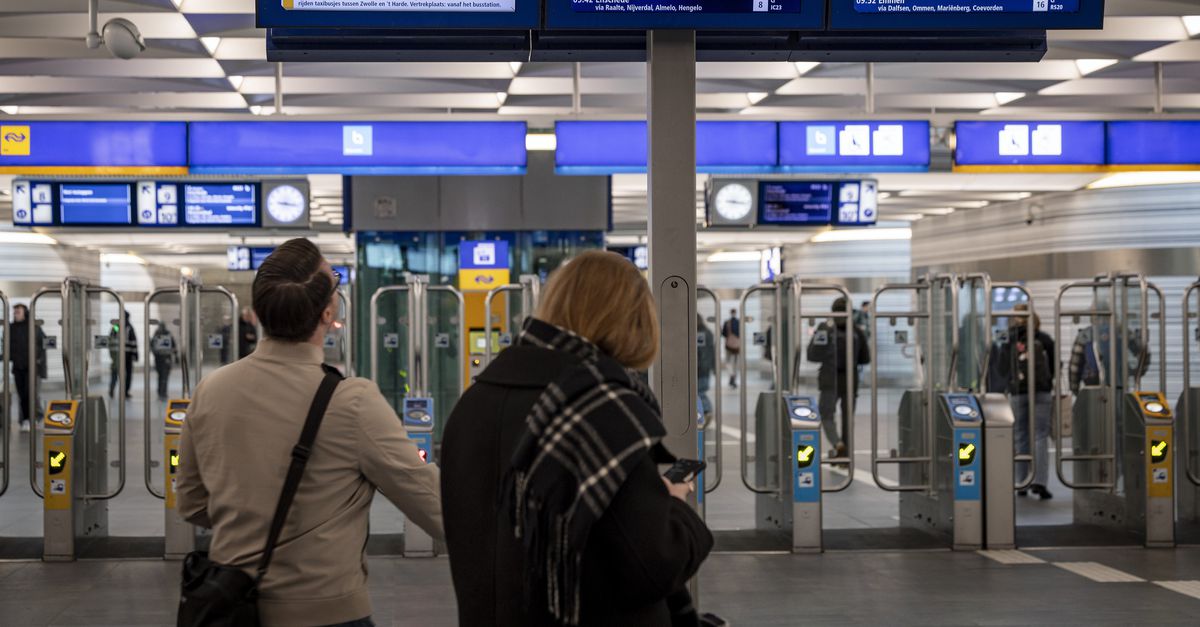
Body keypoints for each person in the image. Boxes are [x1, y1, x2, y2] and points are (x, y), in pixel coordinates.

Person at [176, 238, 443, 627]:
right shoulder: (352, 401)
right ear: (327, 312)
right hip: (327, 610)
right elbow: (433, 505)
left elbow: (192, 503)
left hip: (231, 606)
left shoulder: (211, 390)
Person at [441, 251, 713, 627]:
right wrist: (677, 507)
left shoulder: (473, 403)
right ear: (633, 320)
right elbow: (654, 562)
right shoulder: (602, 410)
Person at [993, 304, 1055, 499]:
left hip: (1018, 392)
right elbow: (1053, 367)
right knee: (1040, 435)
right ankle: (1039, 482)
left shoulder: (1007, 339)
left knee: (1020, 435)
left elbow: (1001, 368)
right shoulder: (1043, 339)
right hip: (1042, 392)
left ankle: (1021, 483)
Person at [806, 297, 870, 460]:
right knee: (848, 417)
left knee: (826, 414)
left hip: (829, 378)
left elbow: (812, 354)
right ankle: (846, 455)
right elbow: (865, 358)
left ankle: (837, 443)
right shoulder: (856, 331)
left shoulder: (824, 329)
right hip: (851, 380)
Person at [8, 304, 46, 433]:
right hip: (18, 367)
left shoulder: (34, 328)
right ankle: (25, 419)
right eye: (14, 312)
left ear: (25, 313)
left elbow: (45, 343)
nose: (15, 314)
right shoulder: (11, 328)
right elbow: (7, 345)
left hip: (32, 367)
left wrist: (38, 358)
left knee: (31, 394)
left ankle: (33, 418)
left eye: (18, 312)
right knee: (22, 394)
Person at [107, 311, 137, 400]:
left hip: (117, 355)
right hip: (127, 355)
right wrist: (135, 354)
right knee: (125, 374)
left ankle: (113, 389)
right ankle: (125, 392)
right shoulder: (129, 327)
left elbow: (112, 337)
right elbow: (133, 341)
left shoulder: (117, 326)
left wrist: (112, 354)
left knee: (115, 372)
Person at [150, 324, 177, 401]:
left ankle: (161, 391)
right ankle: (163, 392)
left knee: (161, 376)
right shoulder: (167, 334)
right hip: (166, 358)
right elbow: (174, 345)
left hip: (159, 359)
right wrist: (176, 355)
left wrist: (155, 354)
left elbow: (152, 346)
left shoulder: (156, 334)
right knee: (164, 376)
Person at [697, 313, 716, 420]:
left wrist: (697, 366)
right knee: (700, 392)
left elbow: (701, 352)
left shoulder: (700, 334)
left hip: (701, 370)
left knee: (700, 392)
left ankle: (707, 412)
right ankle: (705, 413)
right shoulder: (707, 332)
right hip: (705, 368)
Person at [720, 308, 741, 388]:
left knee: (728, 361)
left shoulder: (727, 322)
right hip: (737, 346)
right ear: (736, 313)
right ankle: (733, 379)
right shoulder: (739, 322)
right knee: (735, 363)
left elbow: (724, 334)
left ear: (730, 313)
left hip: (728, 346)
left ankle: (731, 375)